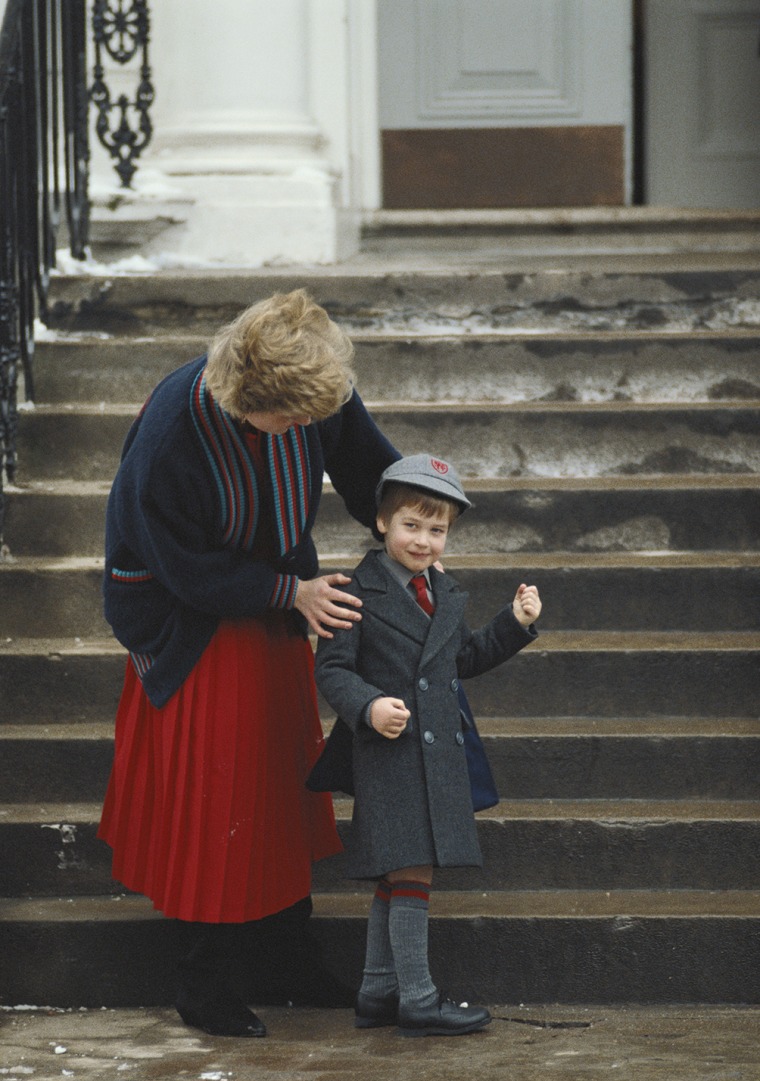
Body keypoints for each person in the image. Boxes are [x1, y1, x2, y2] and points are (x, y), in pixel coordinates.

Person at [98, 289, 400, 1037]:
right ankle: (202, 979)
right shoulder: (172, 431)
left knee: (281, 783)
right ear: (246, 399)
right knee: (218, 799)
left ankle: (284, 961)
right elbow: (180, 565)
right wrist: (287, 591)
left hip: (274, 601)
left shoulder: (314, 388)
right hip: (190, 617)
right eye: (290, 421)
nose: (305, 429)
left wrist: (413, 522)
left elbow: (369, 468)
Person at [314, 454, 541, 1037]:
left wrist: (512, 624)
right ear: (382, 524)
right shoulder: (355, 591)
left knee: (398, 873)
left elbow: (460, 660)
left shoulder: (441, 592)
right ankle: (418, 997)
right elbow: (333, 670)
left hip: (435, 755)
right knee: (412, 869)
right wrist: (368, 706)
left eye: (437, 530)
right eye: (411, 525)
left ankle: (376, 990)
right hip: (388, 753)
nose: (423, 540)